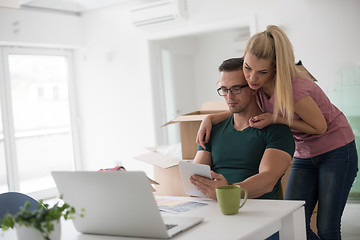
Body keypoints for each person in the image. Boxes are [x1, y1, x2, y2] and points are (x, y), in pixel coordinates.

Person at [196, 25, 358, 240]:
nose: (252, 78)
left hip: (336, 149)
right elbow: (240, 102)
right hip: (305, 152)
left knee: (327, 226)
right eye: (248, 68)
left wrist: (277, 118)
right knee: (292, 218)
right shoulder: (255, 76)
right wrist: (211, 118)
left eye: (261, 72)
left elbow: (320, 127)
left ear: (276, 68)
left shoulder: (295, 90)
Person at [190, 57, 295, 202]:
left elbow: (268, 180)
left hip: (257, 212)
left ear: (253, 88)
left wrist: (228, 191)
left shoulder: (276, 130)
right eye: (224, 90)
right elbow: (195, 176)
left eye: (236, 89)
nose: (229, 96)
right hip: (215, 208)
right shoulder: (212, 129)